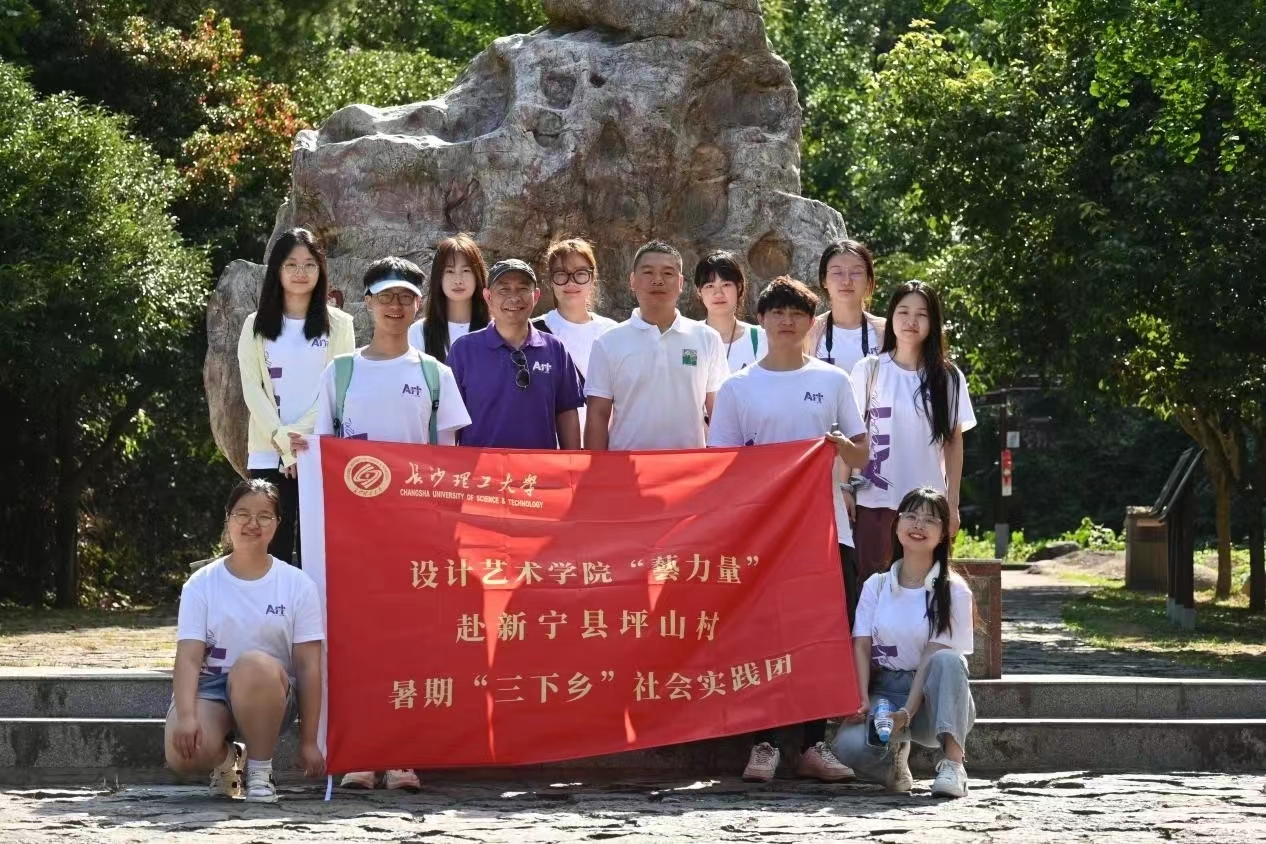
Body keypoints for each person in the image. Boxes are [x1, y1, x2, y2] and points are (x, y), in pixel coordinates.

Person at [297, 257, 472, 792]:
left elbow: (449, 459)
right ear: (368, 303)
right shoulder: (341, 371)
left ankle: (402, 753)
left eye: (404, 297)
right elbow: (325, 449)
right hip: (355, 535)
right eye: (385, 297)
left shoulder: (434, 373)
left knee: (411, 643)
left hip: (417, 533)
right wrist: (304, 452)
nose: (395, 307)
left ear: (419, 304)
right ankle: (359, 750)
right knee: (357, 642)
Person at [708, 276, 869, 784]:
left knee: (822, 635)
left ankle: (812, 744)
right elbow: (721, 467)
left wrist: (841, 447)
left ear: (809, 323)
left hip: (827, 529)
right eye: (776, 312)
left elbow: (863, 453)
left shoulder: (833, 380)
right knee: (762, 635)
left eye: (796, 313)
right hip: (762, 535)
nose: (786, 321)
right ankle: (764, 744)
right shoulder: (738, 386)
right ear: (761, 319)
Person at [165, 479, 326, 803]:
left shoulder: (298, 585)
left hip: (270, 691)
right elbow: (189, 658)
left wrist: (309, 740)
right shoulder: (201, 583)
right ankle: (230, 761)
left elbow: (309, 666)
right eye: (242, 514)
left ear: (277, 523)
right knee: (184, 754)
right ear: (228, 518)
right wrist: (186, 716)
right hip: (212, 688)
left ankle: (260, 772)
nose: (253, 523)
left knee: (253, 664)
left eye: (264, 516)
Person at [832, 487, 976, 798]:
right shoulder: (877, 584)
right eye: (910, 516)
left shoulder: (955, 590)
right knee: (847, 747)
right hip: (886, 689)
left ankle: (954, 765)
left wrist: (907, 713)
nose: (918, 525)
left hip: (934, 699)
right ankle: (894, 763)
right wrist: (862, 699)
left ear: (944, 533)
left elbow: (932, 655)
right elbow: (861, 645)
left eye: (930, 519)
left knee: (949, 660)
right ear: (897, 525)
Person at [237, 228, 354, 565]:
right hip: (267, 452)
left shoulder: (340, 324)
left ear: (321, 269)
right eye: (291, 264)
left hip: (319, 450)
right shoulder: (254, 325)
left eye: (309, 264)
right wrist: (284, 442)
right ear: (277, 270)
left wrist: (299, 440)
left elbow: (339, 387)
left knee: (317, 552)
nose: (300, 272)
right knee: (270, 547)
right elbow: (252, 388)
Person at [850, 280, 976, 582]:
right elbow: (852, 436)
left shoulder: (948, 377)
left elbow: (954, 442)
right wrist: (844, 490)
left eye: (921, 314)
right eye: (903, 312)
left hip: (928, 507)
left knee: (927, 589)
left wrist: (953, 504)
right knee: (872, 589)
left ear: (933, 323)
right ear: (891, 316)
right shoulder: (869, 369)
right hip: (874, 501)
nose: (911, 321)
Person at [584, 240, 728, 451]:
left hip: (689, 465)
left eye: (668, 273)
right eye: (648, 272)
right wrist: (597, 468)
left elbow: (719, 413)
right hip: (627, 466)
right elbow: (598, 414)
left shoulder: (707, 338)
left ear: (680, 282)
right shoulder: (608, 342)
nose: (658, 280)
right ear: (633, 280)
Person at [448, 259, 585, 449]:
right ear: (488, 296)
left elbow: (567, 412)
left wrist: (572, 463)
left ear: (535, 296)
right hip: (481, 468)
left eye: (522, 289)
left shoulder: (555, 349)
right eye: (504, 289)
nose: (514, 297)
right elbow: (449, 419)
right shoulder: (463, 350)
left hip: (539, 467)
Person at [531, 238, 618, 430]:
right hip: (551, 442)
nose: (570, 282)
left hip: (603, 441)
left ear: (592, 279)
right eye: (561, 274)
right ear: (551, 281)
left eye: (580, 274)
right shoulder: (533, 331)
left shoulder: (613, 332)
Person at [407, 233, 491, 362]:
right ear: (439, 278)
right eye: (450, 271)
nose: (458, 280)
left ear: (477, 275)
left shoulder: (494, 329)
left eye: (466, 270)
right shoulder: (420, 332)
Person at [807, 239, 886, 374]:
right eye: (837, 273)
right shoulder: (810, 331)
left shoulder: (886, 331)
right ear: (824, 280)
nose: (846, 281)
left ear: (868, 280)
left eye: (856, 272)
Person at [693, 251, 767, 373]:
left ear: (739, 287)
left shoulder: (760, 339)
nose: (718, 293)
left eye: (726, 285)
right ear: (699, 291)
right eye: (710, 286)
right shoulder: (689, 337)